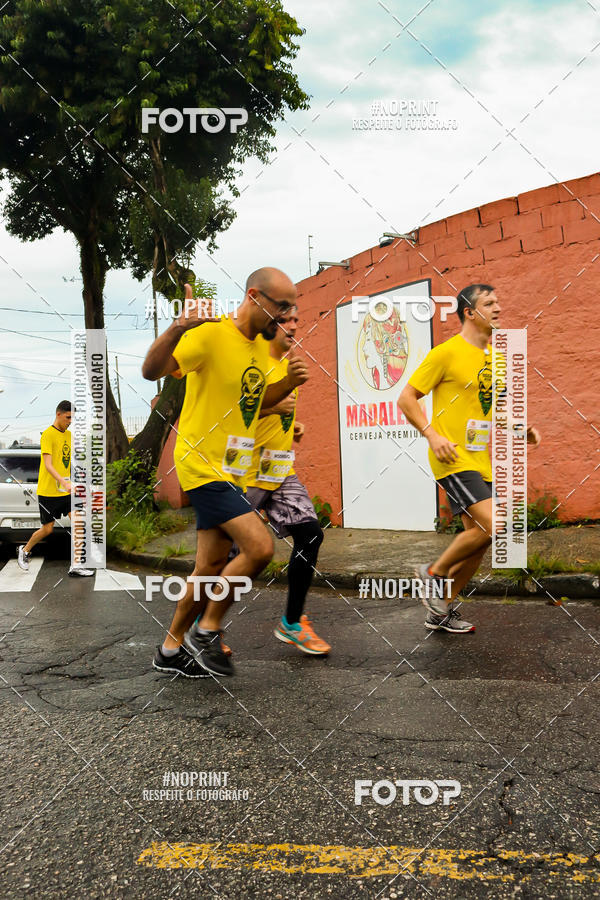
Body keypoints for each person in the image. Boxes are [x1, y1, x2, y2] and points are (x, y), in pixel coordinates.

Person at [142, 268, 308, 678]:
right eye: (282, 307)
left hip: (232, 470)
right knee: (260, 548)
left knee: (208, 569)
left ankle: (169, 650)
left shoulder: (257, 349)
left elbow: (253, 402)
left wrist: (285, 383)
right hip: (202, 463)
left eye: (292, 308)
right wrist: (178, 327)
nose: (288, 318)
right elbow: (151, 370)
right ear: (255, 296)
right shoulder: (212, 334)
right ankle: (207, 629)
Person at [398, 284, 541, 633]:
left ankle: (441, 611)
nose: (498, 308)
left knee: (480, 538)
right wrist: (432, 435)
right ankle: (430, 574)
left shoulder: (498, 359)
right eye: (489, 303)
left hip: (480, 460)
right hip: (452, 458)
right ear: (469, 312)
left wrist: (521, 429)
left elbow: (499, 410)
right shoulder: (445, 353)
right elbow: (406, 398)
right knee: (497, 525)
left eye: (498, 301)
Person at [243, 306, 330, 655]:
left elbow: (270, 412)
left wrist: (290, 426)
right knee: (227, 555)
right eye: (284, 320)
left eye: (297, 319)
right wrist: (271, 408)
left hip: (278, 470)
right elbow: (229, 411)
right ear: (268, 324)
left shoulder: (288, 364)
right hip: (242, 473)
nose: (293, 326)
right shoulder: (252, 363)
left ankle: (292, 623)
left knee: (311, 535)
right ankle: (203, 628)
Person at [17, 400, 93, 577]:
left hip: (66, 492)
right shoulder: (48, 435)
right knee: (47, 529)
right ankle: (25, 550)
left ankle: (76, 565)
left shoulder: (69, 435)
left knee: (79, 523)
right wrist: (64, 482)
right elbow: (49, 465)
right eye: (68, 417)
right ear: (58, 414)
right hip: (48, 492)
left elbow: (71, 463)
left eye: (72, 418)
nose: (70, 421)